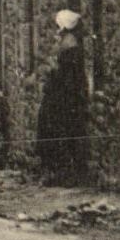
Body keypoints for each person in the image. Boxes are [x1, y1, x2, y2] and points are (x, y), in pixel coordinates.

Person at [36, 10, 90, 185]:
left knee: (59, 131)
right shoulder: (68, 47)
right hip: (64, 97)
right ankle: (58, 171)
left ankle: (62, 172)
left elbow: (66, 79)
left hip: (65, 99)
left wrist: (53, 70)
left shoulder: (70, 49)